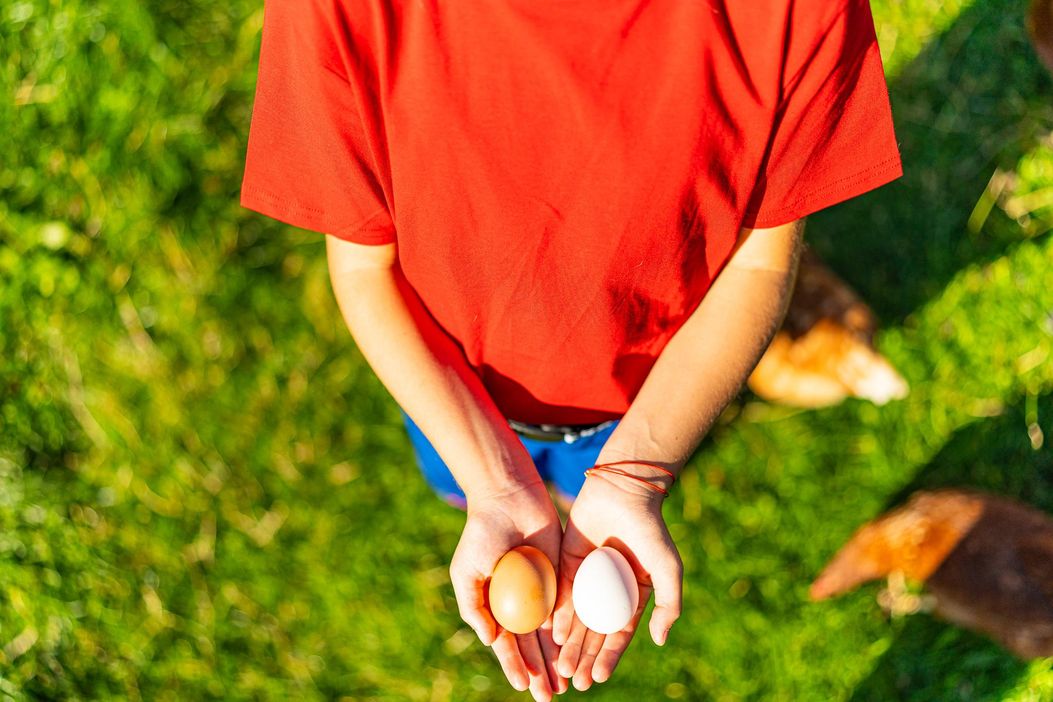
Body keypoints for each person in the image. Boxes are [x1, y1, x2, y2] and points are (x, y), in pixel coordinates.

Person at [240, 0, 901, 698]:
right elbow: (364, 270)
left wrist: (636, 471)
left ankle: (562, 481)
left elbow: (759, 265)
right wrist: (490, 482)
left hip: (646, 402)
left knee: (577, 479)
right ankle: (484, 486)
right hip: (452, 394)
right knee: (453, 480)